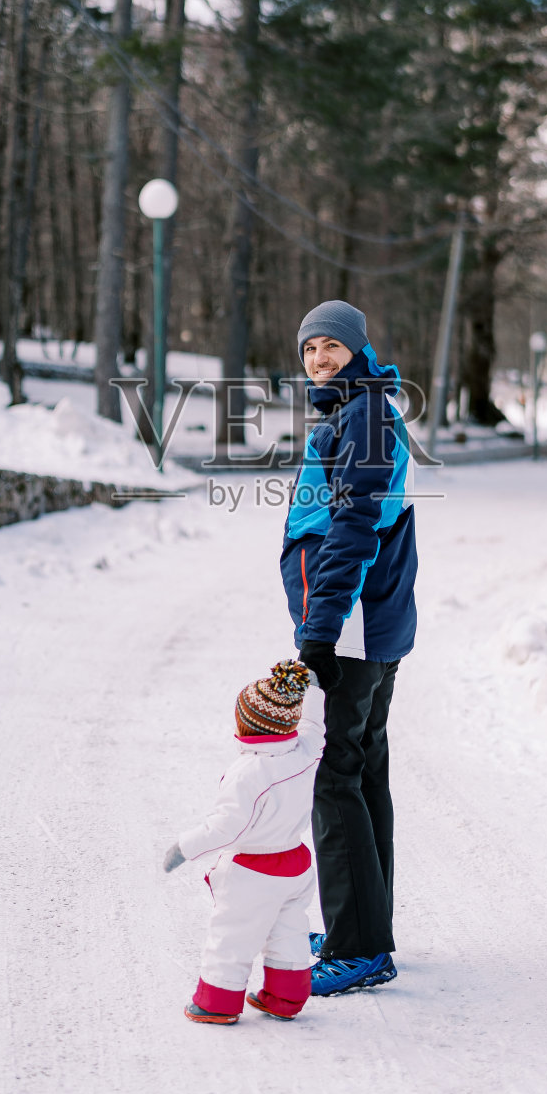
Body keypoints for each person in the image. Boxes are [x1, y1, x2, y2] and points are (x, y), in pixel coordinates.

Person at [280, 299, 417, 998]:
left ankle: (359, 944)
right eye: (308, 350)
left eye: (331, 345)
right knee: (362, 772)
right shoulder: (357, 412)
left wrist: (320, 628)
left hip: (355, 625)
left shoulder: (362, 415)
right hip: (370, 625)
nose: (319, 359)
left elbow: (354, 526)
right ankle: (361, 925)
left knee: (337, 777)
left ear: (357, 349)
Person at [163, 659, 326, 1025]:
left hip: (255, 869)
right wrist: (311, 691)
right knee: (290, 930)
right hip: (295, 863)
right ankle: (286, 997)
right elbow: (315, 725)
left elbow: (226, 829)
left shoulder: (250, 772)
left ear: (247, 725)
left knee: (232, 935)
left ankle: (217, 1002)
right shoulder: (305, 752)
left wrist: (184, 848)